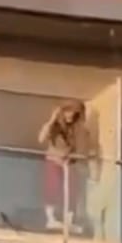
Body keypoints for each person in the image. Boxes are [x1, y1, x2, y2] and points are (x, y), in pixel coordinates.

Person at [38, 99, 87, 232]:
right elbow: (41, 138)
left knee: (72, 190)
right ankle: (51, 219)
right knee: (52, 188)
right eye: (68, 111)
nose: (70, 115)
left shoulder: (76, 128)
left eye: (74, 112)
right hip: (53, 160)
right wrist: (52, 119)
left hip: (68, 163)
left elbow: (80, 147)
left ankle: (68, 222)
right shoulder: (54, 127)